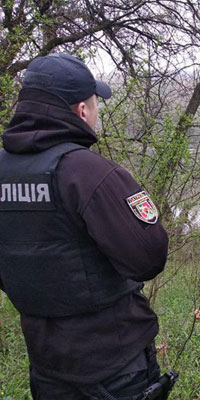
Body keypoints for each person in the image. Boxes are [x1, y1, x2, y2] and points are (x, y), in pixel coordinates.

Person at [0, 53, 171, 399]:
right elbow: (150, 256)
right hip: (115, 365)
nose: (96, 115)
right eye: (95, 106)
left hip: (46, 363)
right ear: (81, 111)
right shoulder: (90, 173)